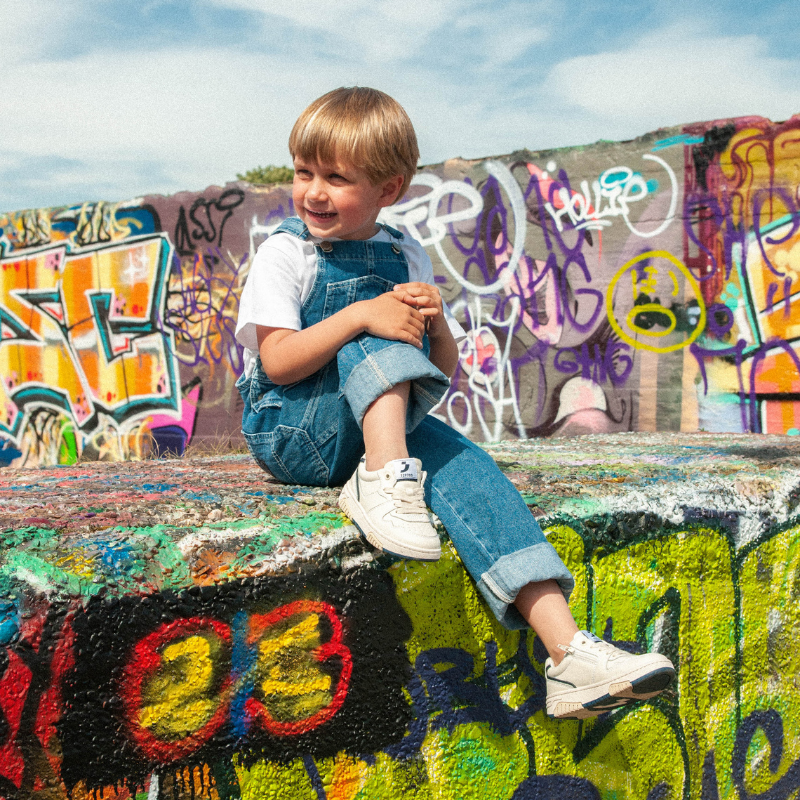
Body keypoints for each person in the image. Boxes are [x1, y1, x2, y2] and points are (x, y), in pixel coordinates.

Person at [234, 86, 674, 719]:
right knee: (371, 335)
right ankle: (386, 480)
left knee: (472, 469)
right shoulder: (288, 252)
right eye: (304, 173)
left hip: (372, 427)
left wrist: (434, 325)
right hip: (298, 431)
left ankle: (569, 654)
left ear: (388, 189)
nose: (314, 192)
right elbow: (277, 362)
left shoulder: (405, 253)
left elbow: (436, 371)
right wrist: (364, 314)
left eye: (336, 177)